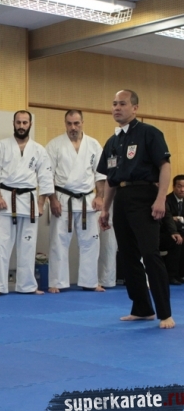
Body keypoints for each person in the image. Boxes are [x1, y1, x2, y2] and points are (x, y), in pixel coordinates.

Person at [98, 89, 175, 329]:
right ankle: (142, 309)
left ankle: (165, 313)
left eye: (122, 104)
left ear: (135, 108)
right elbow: (111, 179)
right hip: (121, 198)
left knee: (150, 254)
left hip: (144, 196)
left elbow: (164, 166)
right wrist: (105, 209)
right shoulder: (112, 141)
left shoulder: (149, 133)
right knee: (128, 255)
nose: (117, 108)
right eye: (114, 104)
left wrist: (161, 199)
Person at [0, 111, 54, 297]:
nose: (21, 126)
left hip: (29, 202)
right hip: (6, 199)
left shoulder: (39, 150)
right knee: (1, 245)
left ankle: (27, 285)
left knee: (28, 246)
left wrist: (41, 203)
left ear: (30, 124)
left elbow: (45, 178)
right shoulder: (2, 146)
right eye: (18, 122)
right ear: (13, 123)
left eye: (25, 122)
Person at [45, 110, 106, 293]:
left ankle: (90, 281)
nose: (73, 127)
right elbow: (47, 176)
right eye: (69, 123)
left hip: (88, 200)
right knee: (59, 241)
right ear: (65, 124)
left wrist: (100, 196)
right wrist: (52, 199)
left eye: (76, 123)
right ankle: (57, 282)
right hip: (63, 199)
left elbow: (100, 174)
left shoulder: (93, 145)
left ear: (82, 123)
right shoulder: (55, 145)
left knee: (91, 242)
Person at [160, 175, 184, 285]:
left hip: (180, 232)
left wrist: (178, 219)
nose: (182, 189)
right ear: (173, 187)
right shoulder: (166, 200)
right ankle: (172, 275)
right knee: (177, 241)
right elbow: (166, 221)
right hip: (164, 234)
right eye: (179, 186)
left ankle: (181, 274)